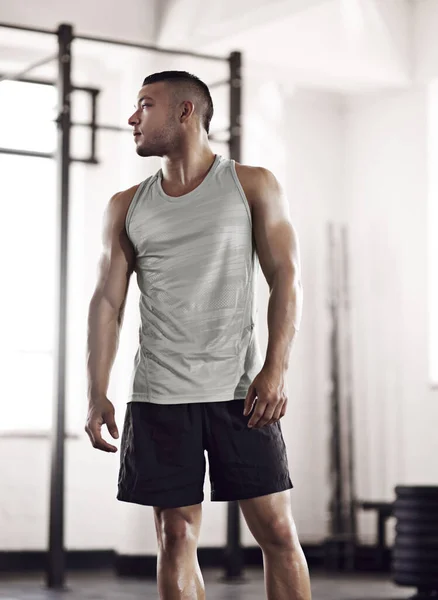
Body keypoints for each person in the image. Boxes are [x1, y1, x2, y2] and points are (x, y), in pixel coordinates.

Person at [85, 71, 310, 600]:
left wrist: (275, 369)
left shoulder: (251, 184)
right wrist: (97, 392)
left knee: (277, 532)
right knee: (176, 534)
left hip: (239, 393)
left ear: (186, 113)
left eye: (145, 105)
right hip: (161, 395)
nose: (132, 118)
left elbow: (286, 277)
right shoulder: (127, 205)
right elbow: (107, 302)